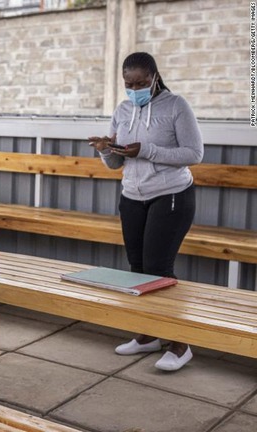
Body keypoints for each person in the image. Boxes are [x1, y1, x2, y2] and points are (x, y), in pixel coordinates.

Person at [88, 52, 203, 371]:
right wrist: (106, 151)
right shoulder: (123, 110)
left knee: (158, 266)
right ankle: (149, 334)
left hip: (171, 195)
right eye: (129, 83)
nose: (134, 88)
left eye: (141, 82)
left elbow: (194, 153)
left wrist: (148, 150)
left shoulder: (176, 106)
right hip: (132, 196)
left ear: (155, 78)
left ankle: (179, 343)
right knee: (137, 267)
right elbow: (117, 163)